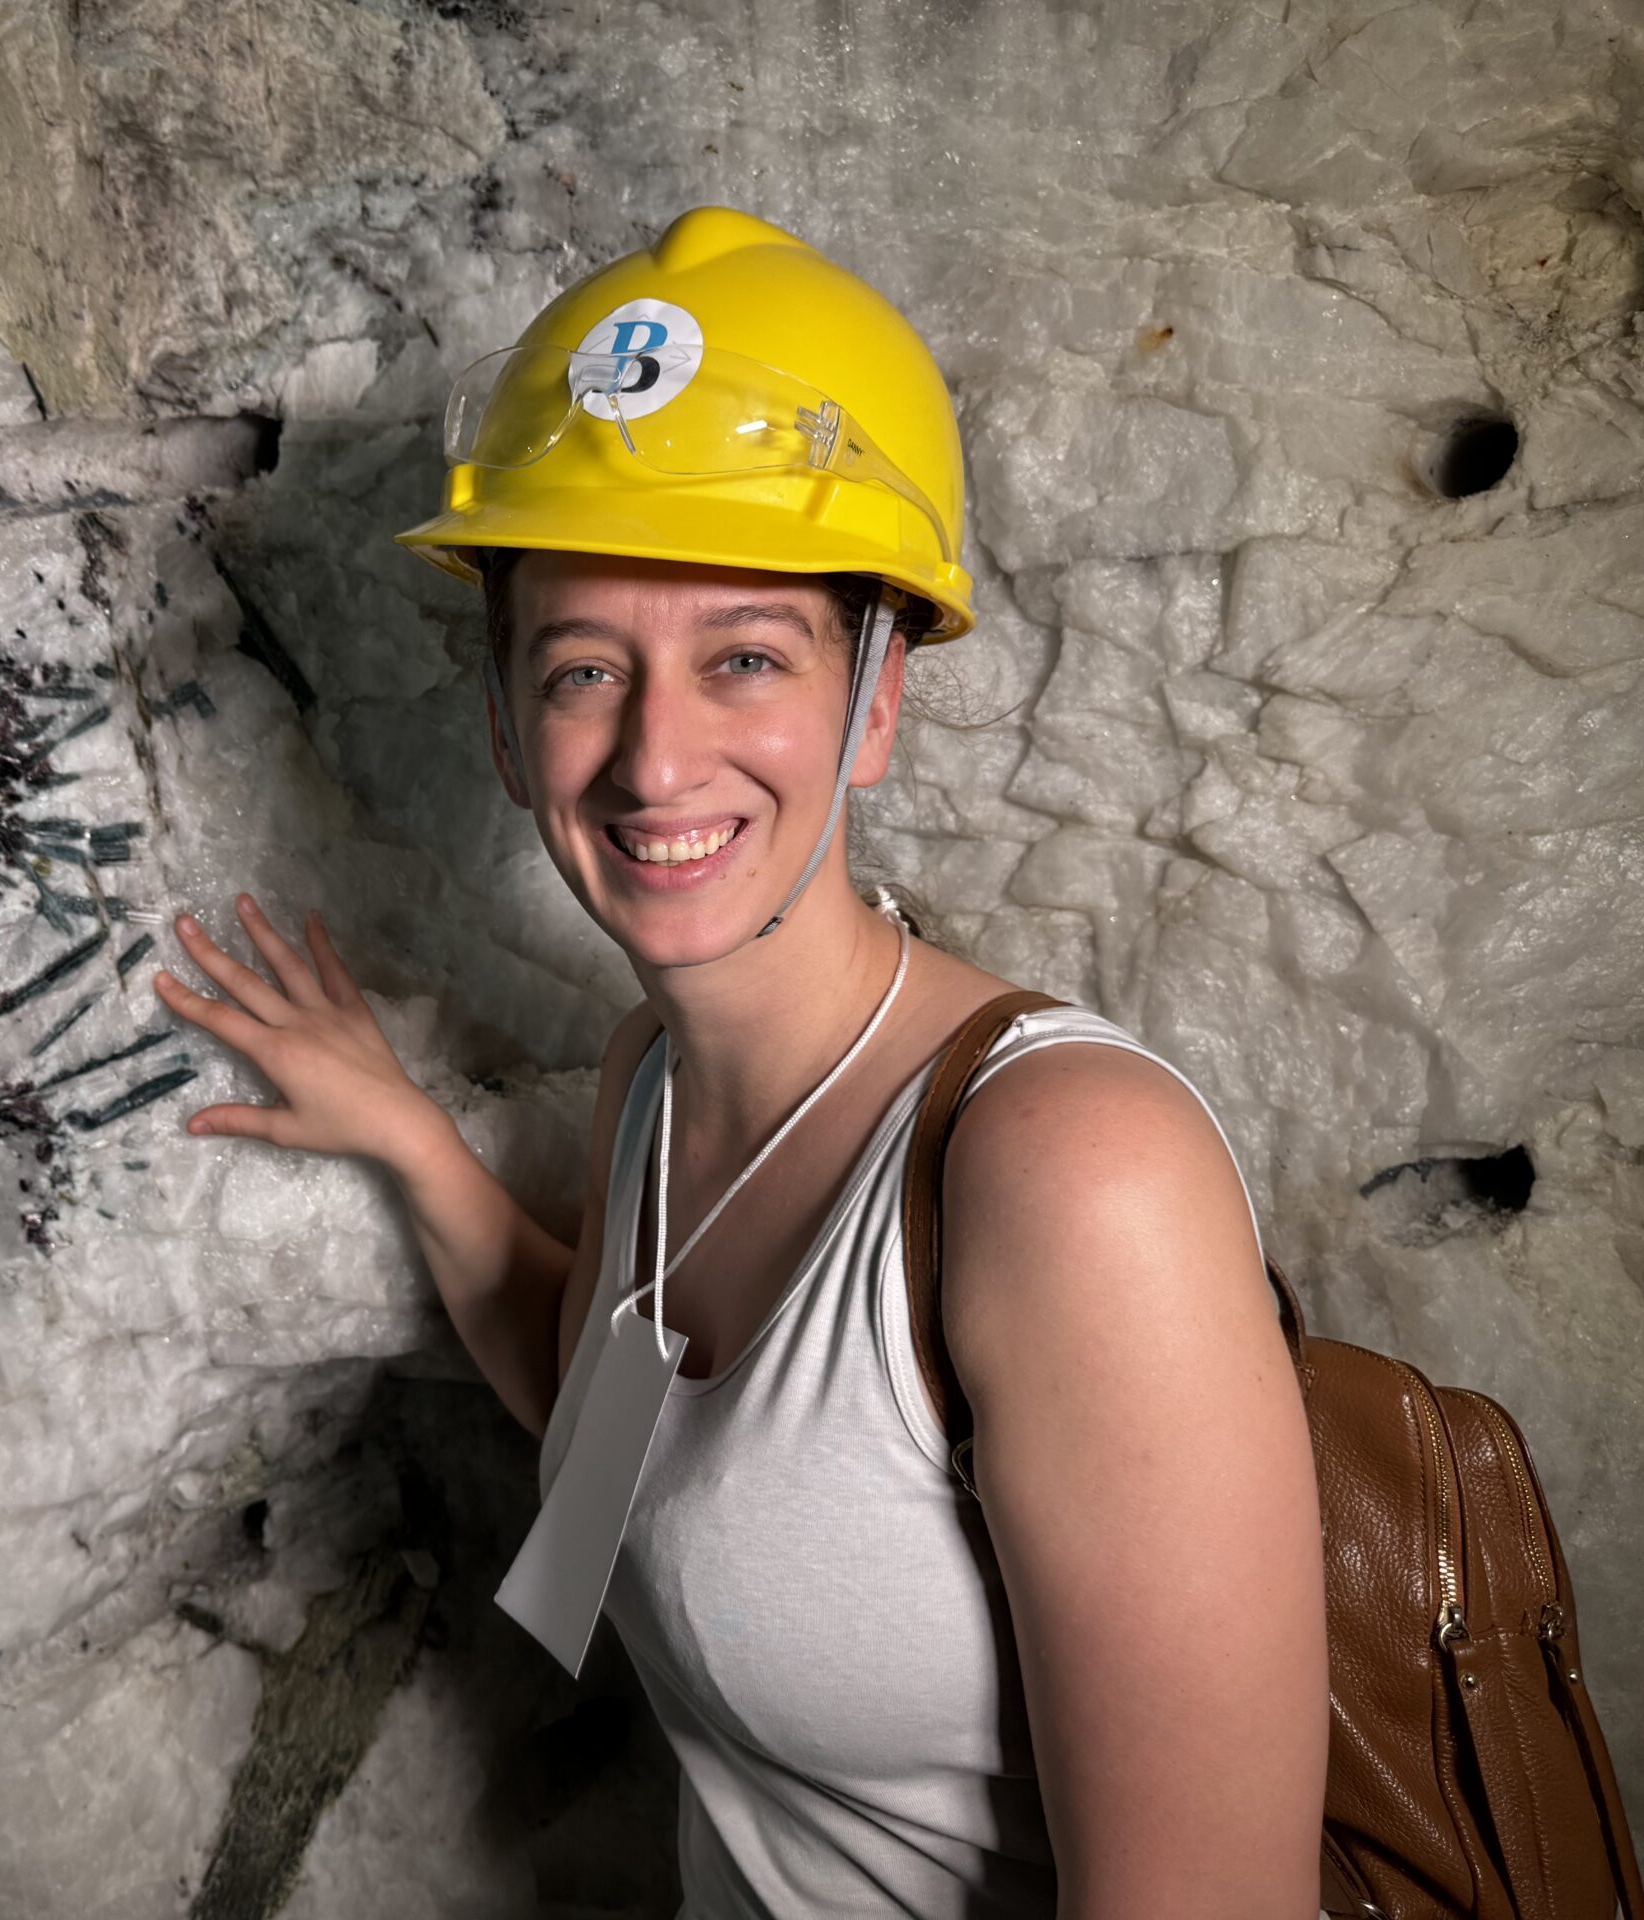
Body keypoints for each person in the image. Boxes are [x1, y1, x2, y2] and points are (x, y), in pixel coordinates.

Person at [150, 207, 1329, 1918]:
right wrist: (412, 1142)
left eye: (747, 658)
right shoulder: (656, 1082)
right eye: (581, 671)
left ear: (880, 697)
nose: (653, 756)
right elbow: (645, 1445)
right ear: (503, 720)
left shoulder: (1072, 1175)